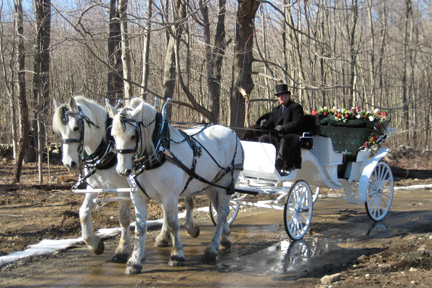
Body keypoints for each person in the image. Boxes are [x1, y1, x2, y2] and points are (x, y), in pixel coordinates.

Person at [259, 84, 304, 175]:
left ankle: (279, 165)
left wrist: (284, 127)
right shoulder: (276, 109)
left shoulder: (295, 107)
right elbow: (271, 122)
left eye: (283, 95)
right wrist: (264, 124)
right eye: (279, 96)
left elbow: (297, 122)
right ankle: (265, 163)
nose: (281, 98)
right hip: (278, 136)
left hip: (292, 136)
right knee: (263, 138)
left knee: (284, 139)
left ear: (288, 96)